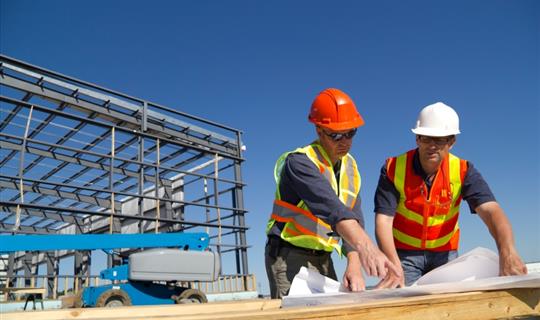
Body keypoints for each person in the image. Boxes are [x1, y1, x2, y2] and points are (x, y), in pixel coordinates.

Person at [374, 102, 527, 288]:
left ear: (451, 142)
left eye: (439, 140)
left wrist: (507, 251)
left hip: (445, 254)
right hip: (403, 255)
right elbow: (383, 221)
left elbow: (491, 212)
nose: (432, 146)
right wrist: (393, 264)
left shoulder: (464, 171)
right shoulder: (392, 168)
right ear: (417, 139)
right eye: (426, 138)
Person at [265, 88, 400, 298]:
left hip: (324, 257)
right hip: (288, 255)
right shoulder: (300, 162)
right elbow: (333, 209)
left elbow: (354, 216)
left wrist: (354, 262)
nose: (345, 141)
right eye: (336, 135)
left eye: (351, 132)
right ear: (319, 130)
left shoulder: (350, 167)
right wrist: (367, 247)